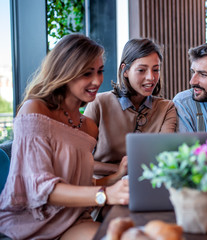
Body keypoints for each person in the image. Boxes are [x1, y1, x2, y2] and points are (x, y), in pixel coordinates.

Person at [0, 34, 129, 240]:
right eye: (87, 73)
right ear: (66, 72)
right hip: (34, 223)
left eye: (100, 71)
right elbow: (40, 189)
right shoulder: (35, 110)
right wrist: (105, 194)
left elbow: (78, 184)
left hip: (74, 217)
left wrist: (116, 176)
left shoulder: (88, 126)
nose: (97, 81)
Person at [84, 38, 177, 177]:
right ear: (125, 70)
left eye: (156, 70)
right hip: (105, 187)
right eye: (141, 70)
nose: (151, 77)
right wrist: (121, 170)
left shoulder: (167, 108)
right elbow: (82, 161)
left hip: (149, 184)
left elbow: (164, 159)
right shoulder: (99, 103)